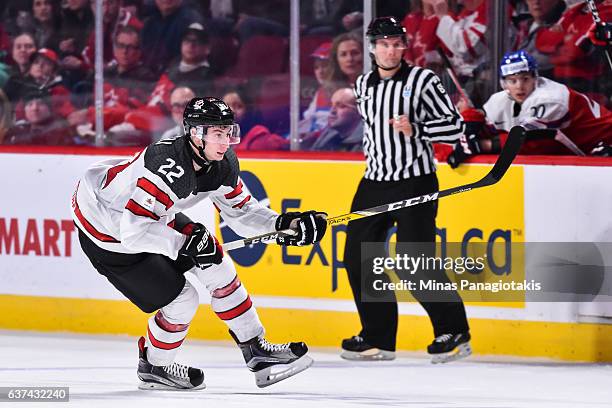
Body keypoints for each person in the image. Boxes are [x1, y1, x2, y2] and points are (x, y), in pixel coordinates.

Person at [70, 97, 327, 390]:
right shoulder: (166, 167)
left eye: (229, 132)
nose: (226, 141)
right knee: (183, 299)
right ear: (195, 134)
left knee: (215, 261)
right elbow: (134, 232)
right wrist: (184, 243)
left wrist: (283, 225)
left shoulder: (221, 162)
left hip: (145, 217)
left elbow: (242, 211)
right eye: (217, 134)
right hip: (106, 232)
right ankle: (155, 365)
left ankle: (257, 351)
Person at [342, 17, 471, 364]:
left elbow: (454, 126)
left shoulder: (423, 80)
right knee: (357, 257)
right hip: (374, 181)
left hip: (415, 180)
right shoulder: (363, 84)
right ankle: (378, 337)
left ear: (404, 46)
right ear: (372, 47)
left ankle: (454, 330)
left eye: (397, 43)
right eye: (384, 43)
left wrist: (418, 128)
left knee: (414, 263)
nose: (391, 49)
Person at [448, 50, 612, 163]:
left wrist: (481, 145)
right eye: (513, 80)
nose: (519, 86)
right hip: (581, 148)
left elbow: (528, 140)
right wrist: (469, 120)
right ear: (503, 83)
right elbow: (485, 126)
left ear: (535, 78)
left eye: (525, 79)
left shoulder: (550, 98)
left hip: (605, 141)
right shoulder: (500, 99)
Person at [303, 87, 363, 152]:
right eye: (331, 105)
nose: (332, 111)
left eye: (341, 106)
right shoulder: (327, 135)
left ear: (359, 112)